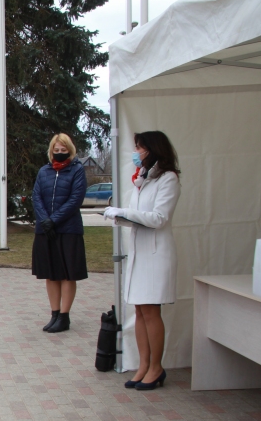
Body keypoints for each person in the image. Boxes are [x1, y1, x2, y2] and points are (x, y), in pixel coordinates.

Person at [104, 131, 181, 391]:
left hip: (156, 254)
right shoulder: (143, 180)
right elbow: (139, 217)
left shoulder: (168, 179)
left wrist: (125, 212)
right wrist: (119, 216)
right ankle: (143, 365)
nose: (136, 152)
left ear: (153, 149)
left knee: (151, 311)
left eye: (140, 147)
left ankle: (156, 367)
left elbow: (159, 218)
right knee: (138, 310)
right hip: (138, 252)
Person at [31, 133, 88, 333]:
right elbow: (36, 196)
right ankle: (54, 313)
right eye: (56, 150)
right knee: (50, 274)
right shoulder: (43, 171)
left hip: (68, 229)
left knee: (66, 274)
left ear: (70, 150)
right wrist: (44, 221)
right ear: (51, 151)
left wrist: (53, 220)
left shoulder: (77, 171)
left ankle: (64, 316)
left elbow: (75, 199)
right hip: (46, 231)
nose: (60, 153)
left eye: (64, 150)